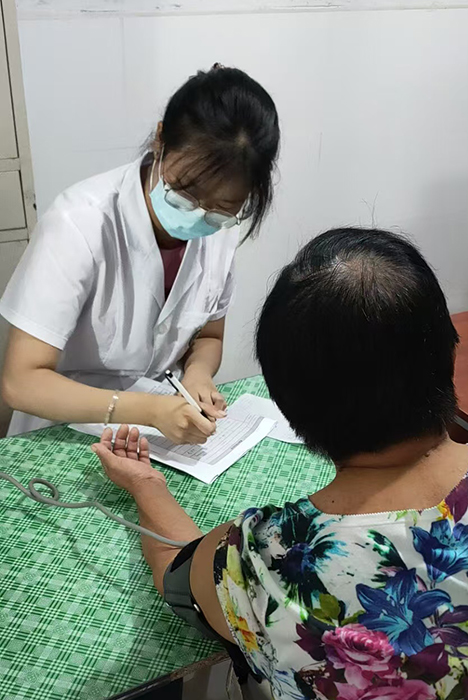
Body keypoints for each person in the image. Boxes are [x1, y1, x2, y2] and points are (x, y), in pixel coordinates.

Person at [92, 228, 468, 700]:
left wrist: (145, 484)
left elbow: (178, 576)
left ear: (288, 403)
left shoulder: (272, 558)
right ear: (449, 350)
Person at [0, 65, 280, 441]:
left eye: (222, 208)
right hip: (61, 430)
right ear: (160, 140)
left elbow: (209, 337)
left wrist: (197, 373)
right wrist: (147, 411)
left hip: (156, 432)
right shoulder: (79, 222)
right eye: (185, 192)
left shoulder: (220, 232)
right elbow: (20, 382)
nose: (200, 214)